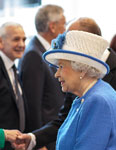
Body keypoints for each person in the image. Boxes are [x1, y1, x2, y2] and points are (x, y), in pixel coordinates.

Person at [14, 17, 116, 150]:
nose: (56, 74)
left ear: (81, 68)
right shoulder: (84, 95)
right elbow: (63, 122)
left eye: (61, 66)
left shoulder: (98, 99)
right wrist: (33, 138)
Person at [18, 4, 66, 147]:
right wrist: (38, 142)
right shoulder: (34, 54)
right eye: (64, 24)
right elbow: (32, 104)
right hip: (45, 138)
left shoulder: (44, 51)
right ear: (52, 26)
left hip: (51, 134)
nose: (65, 30)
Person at [0, 22, 27, 150]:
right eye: (16, 39)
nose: (21, 44)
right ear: (1, 42)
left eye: (24, 39)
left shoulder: (13, 67)